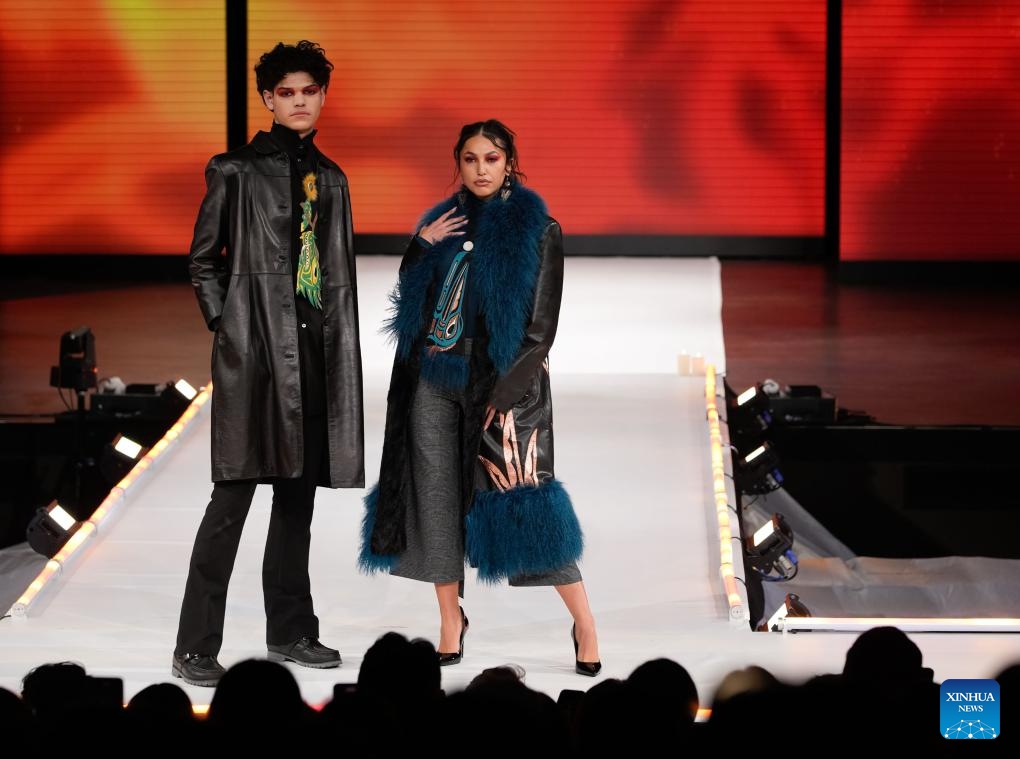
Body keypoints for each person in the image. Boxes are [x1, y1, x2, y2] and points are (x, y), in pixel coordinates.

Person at [358, 119, 600, 676]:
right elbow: (411, 299)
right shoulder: (441, 221)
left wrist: (507, 390)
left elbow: (541, 328)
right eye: (470, 159)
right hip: (432, 379)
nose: (481, 169)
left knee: (524, 500)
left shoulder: (538, 228)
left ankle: (584, 622)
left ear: (510, 162)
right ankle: (450, 620)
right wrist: (420, 246)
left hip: (500, 390)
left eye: (492, 158)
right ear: (458, 164)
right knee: (435, 500)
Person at [172, 40, 365, 687]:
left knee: (296, 504)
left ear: (322, 97)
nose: (300, 101)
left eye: (309, 90)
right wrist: (227, 328)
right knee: (231, 500)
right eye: (287, 92)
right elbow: (204, 259)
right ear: (267, 99)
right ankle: (195, 644)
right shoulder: (234, 171)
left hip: (312, 358)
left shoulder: (333, 178)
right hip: (252, 360)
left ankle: (291, 630)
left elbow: (334, 279)